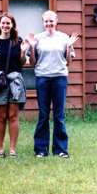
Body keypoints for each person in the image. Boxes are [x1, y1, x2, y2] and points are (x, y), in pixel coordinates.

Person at [27, 10, 78, 159]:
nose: (49, 24)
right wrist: (32, 47)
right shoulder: (37, 38)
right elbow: (33, 64)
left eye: (51, 21)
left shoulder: (64, 38)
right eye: (46, 21)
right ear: (43, 22)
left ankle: (60, 149)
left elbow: (68, 63)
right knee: (43, 114)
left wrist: (68, 47)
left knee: (59, 114)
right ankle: (41, 149)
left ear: (56, 21)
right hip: (42, 79)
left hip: (60, 79)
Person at [0, 13, 28, 158]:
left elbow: (22, 63)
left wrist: (23, 52)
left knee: (13, 116)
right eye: (3, 23)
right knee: (1, 117)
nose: (5, 26)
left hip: (15, 81)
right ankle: (0, 149)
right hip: (0, 82)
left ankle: (12, 149)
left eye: (8, 23)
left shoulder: (18, 41)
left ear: (12, 25)